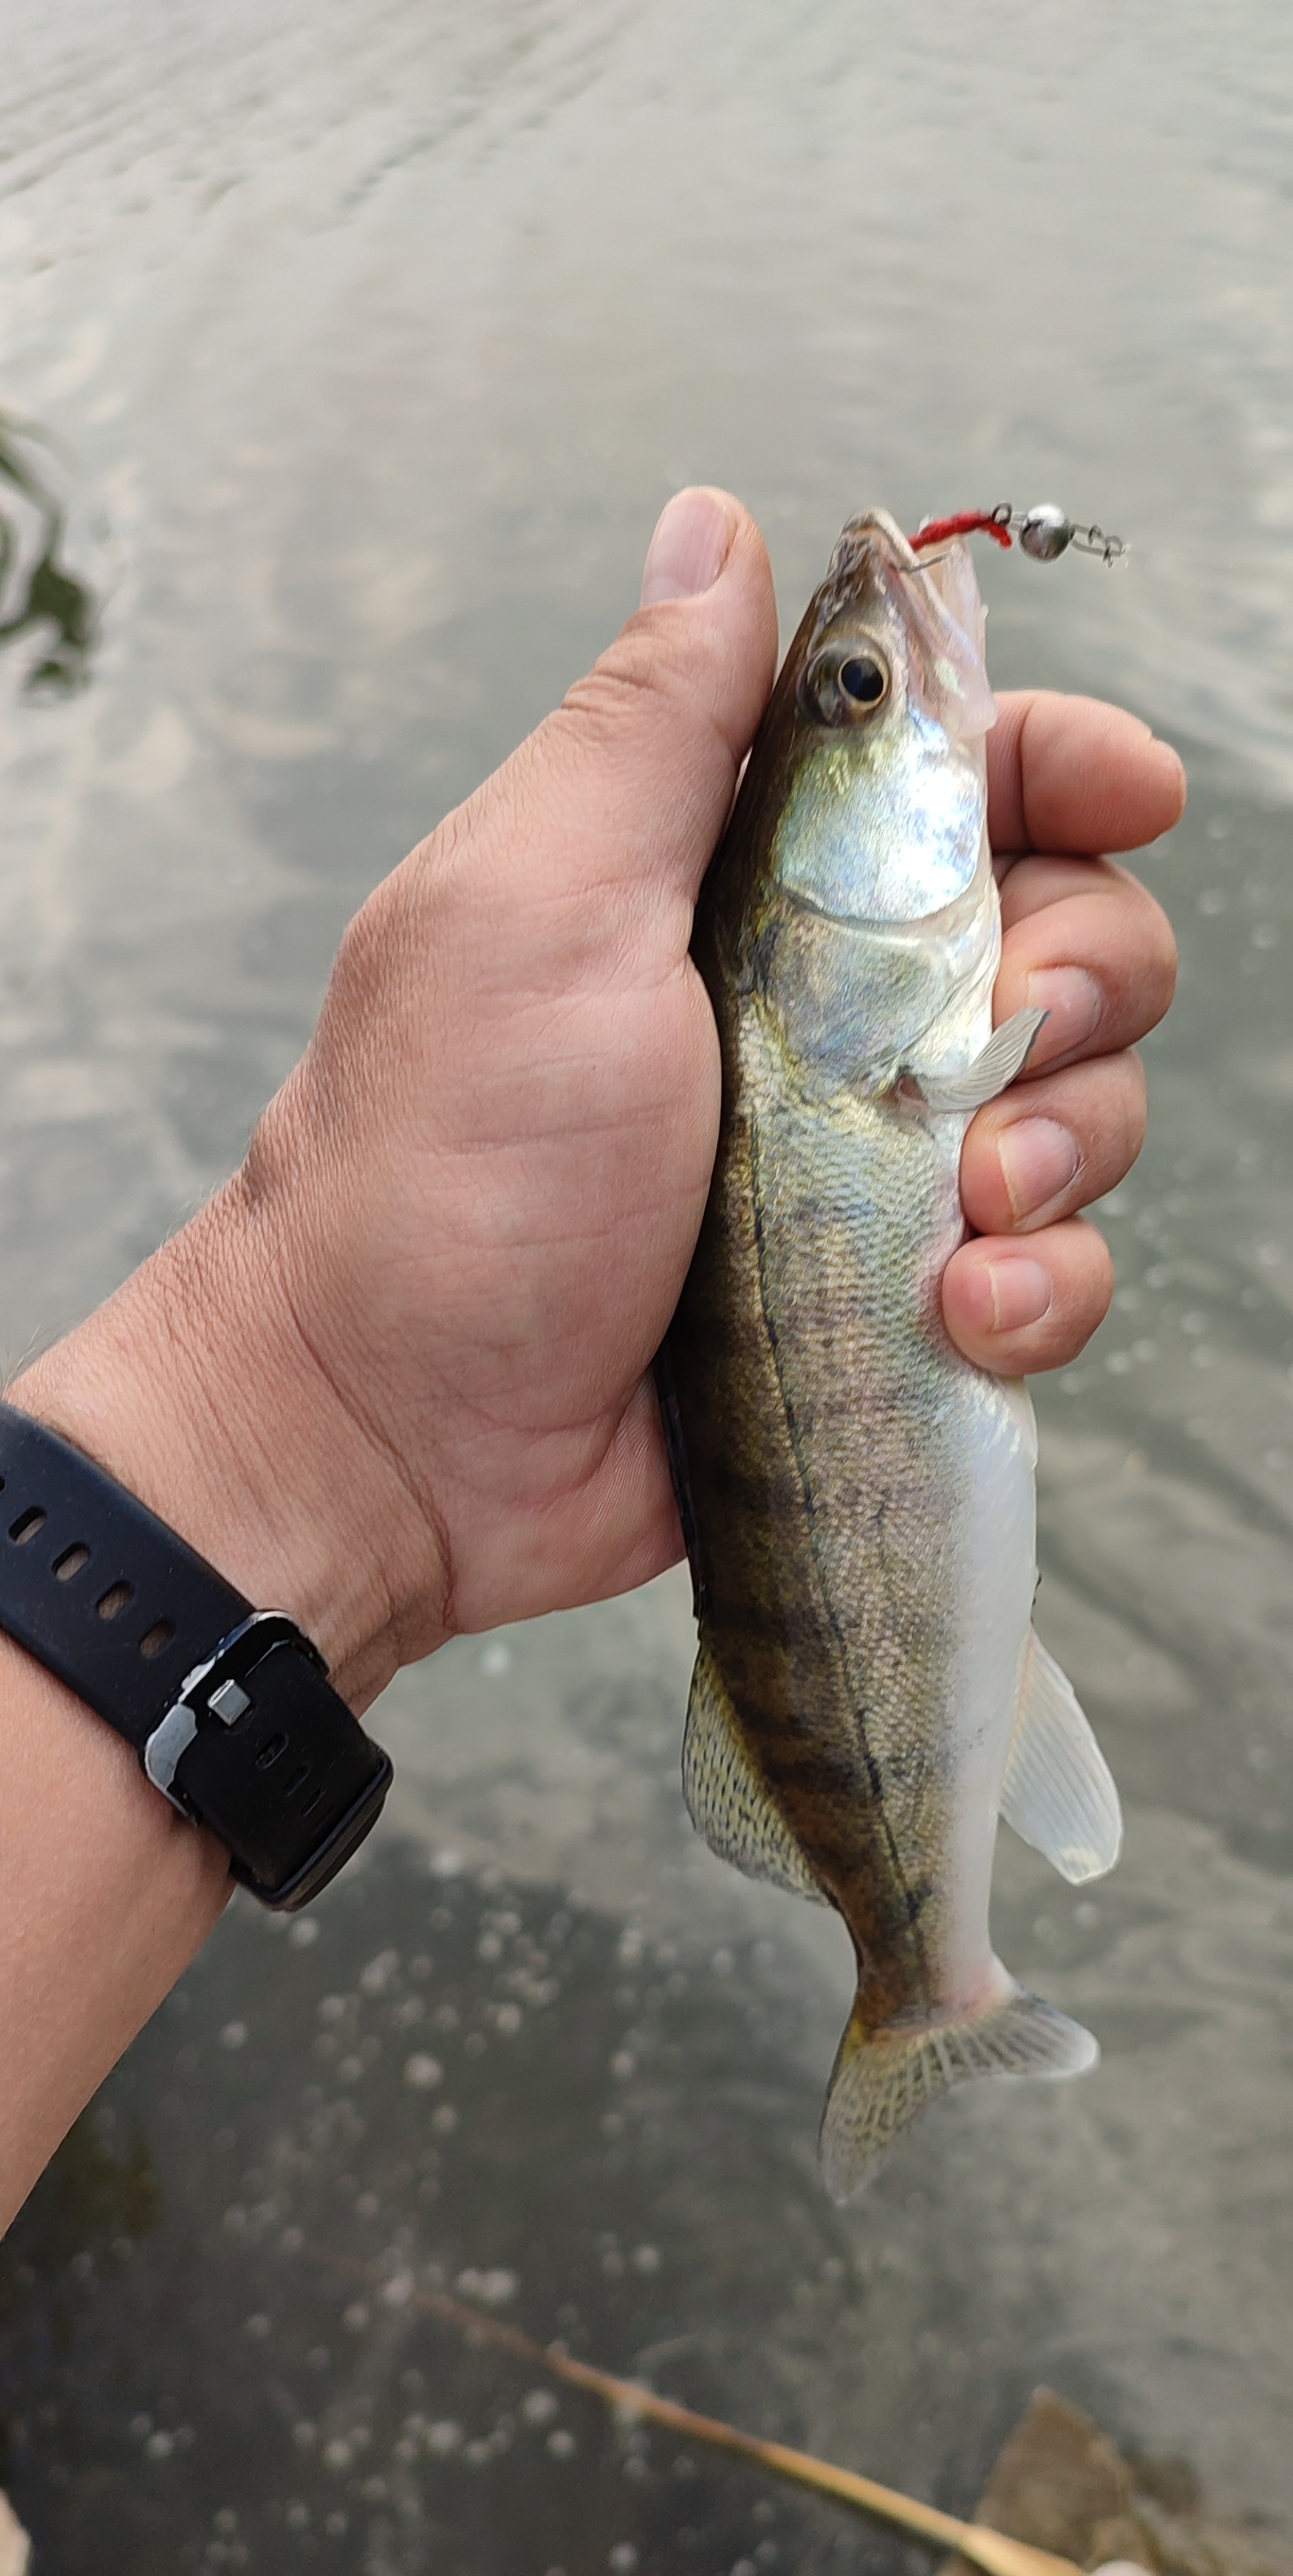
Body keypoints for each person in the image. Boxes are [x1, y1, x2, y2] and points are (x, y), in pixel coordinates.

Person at [0, 488, 1181, 2234]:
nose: (888, 677)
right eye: (859, 696)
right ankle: (930, 1982)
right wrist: (331, 1408)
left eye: (844, 692)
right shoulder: (845, 1016)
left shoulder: (855, 1011)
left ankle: (927, 1972)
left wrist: (326, 1429)